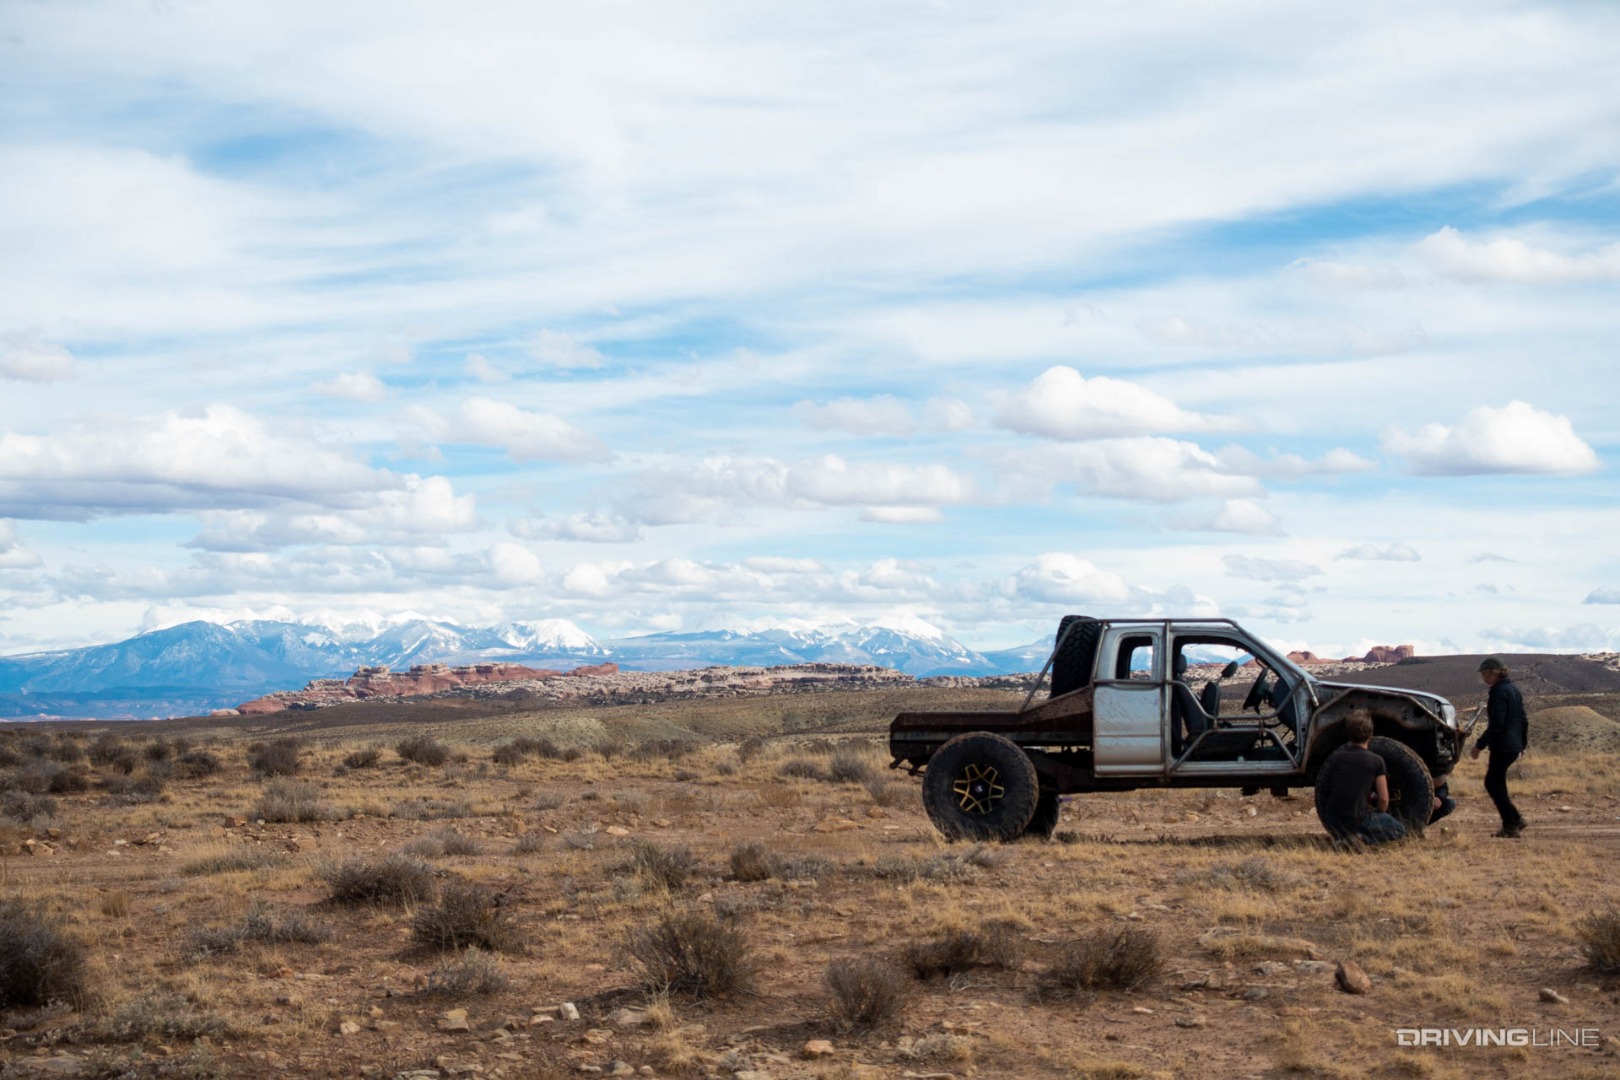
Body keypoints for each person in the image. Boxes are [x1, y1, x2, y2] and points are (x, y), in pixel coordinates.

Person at [1317, 710, 1406, 846]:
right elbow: (1383, 799)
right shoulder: (1376, 761)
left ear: (1349, 733)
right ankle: (1361, 839)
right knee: (1399, 830)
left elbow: (1326, 788)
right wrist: (1378, 814)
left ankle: (1342, 839)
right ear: (1370, 734)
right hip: (1358, 819)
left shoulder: (1335, 757)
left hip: (1332, 819)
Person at [1470, 656, 1528, 838]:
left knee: (1493, 783)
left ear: (1493, 673)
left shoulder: (1498, 692)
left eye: (1485, 674)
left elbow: (1497, 724)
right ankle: (1514, 820)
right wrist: (1522, 744)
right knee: (1497, 783)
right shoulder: (1513, 691)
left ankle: (1512, 822)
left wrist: (1479, 745)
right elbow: (1524, 720)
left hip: (1503, 746)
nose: (1484, 678)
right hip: (1513, 745)